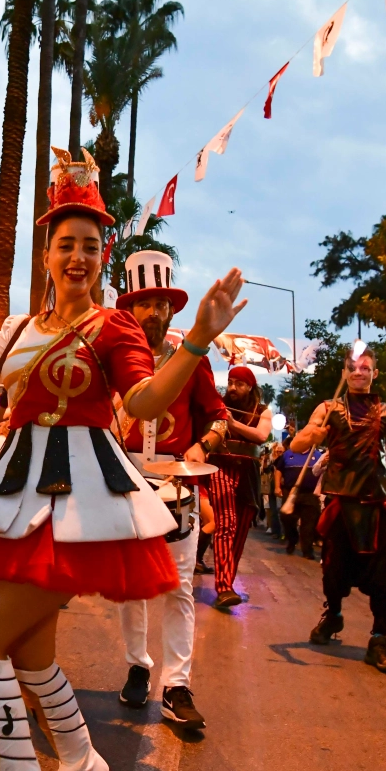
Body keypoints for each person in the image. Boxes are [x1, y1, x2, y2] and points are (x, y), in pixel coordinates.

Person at [0, 148, 247, 771]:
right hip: (17, 497)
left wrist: (198, 339)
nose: (75, 255)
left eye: (88, 244)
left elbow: (141, 405)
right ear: (47, 253)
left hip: (80, 505)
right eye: (63, 242)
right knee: (29, 656)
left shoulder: (113, 328)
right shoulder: (13, 331)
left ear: (101, 254)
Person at [110, 249, 229, 730]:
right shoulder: (113, 357)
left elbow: (220, 415)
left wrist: (203, 445)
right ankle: (139, 665)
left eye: (163, 304)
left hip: (178, 485)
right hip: (124, 484)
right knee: (132, 589)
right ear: (130, 308)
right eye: (147, 303)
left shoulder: (191, 359)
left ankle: (177, 685)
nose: (156, 313)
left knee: (179, 589)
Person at [292, 345, 386, 675]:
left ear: (374, 374)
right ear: (344, 373)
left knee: (384, 578)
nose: (358, 372)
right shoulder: (328, 407)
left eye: (365, 367)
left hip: (377, 505)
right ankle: (333, 613)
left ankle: (379, 638)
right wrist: (314, 434)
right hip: (341, 504)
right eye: (353, 367)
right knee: (333, 571)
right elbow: (298, 443)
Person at [209, 366, 272, 610]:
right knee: (226, 523)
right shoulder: (217, 404)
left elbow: (261, 436)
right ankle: (223, 587)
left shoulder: (263, 411)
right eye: (231, 382)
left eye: (239, 384)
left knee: (241, 528)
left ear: (250, 388)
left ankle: (227, 583)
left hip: (247, 473)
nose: (233, 388)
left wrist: (232, 424)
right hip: (221, 467)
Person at [277, 429, 322, 561]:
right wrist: (277, 486)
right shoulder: (288, 454)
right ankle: (292, 539)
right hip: (290, 492)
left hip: (310, 494)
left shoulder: (318, 455)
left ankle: (307, 550)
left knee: (309, 524)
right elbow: (279, 470)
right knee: (286, 517)